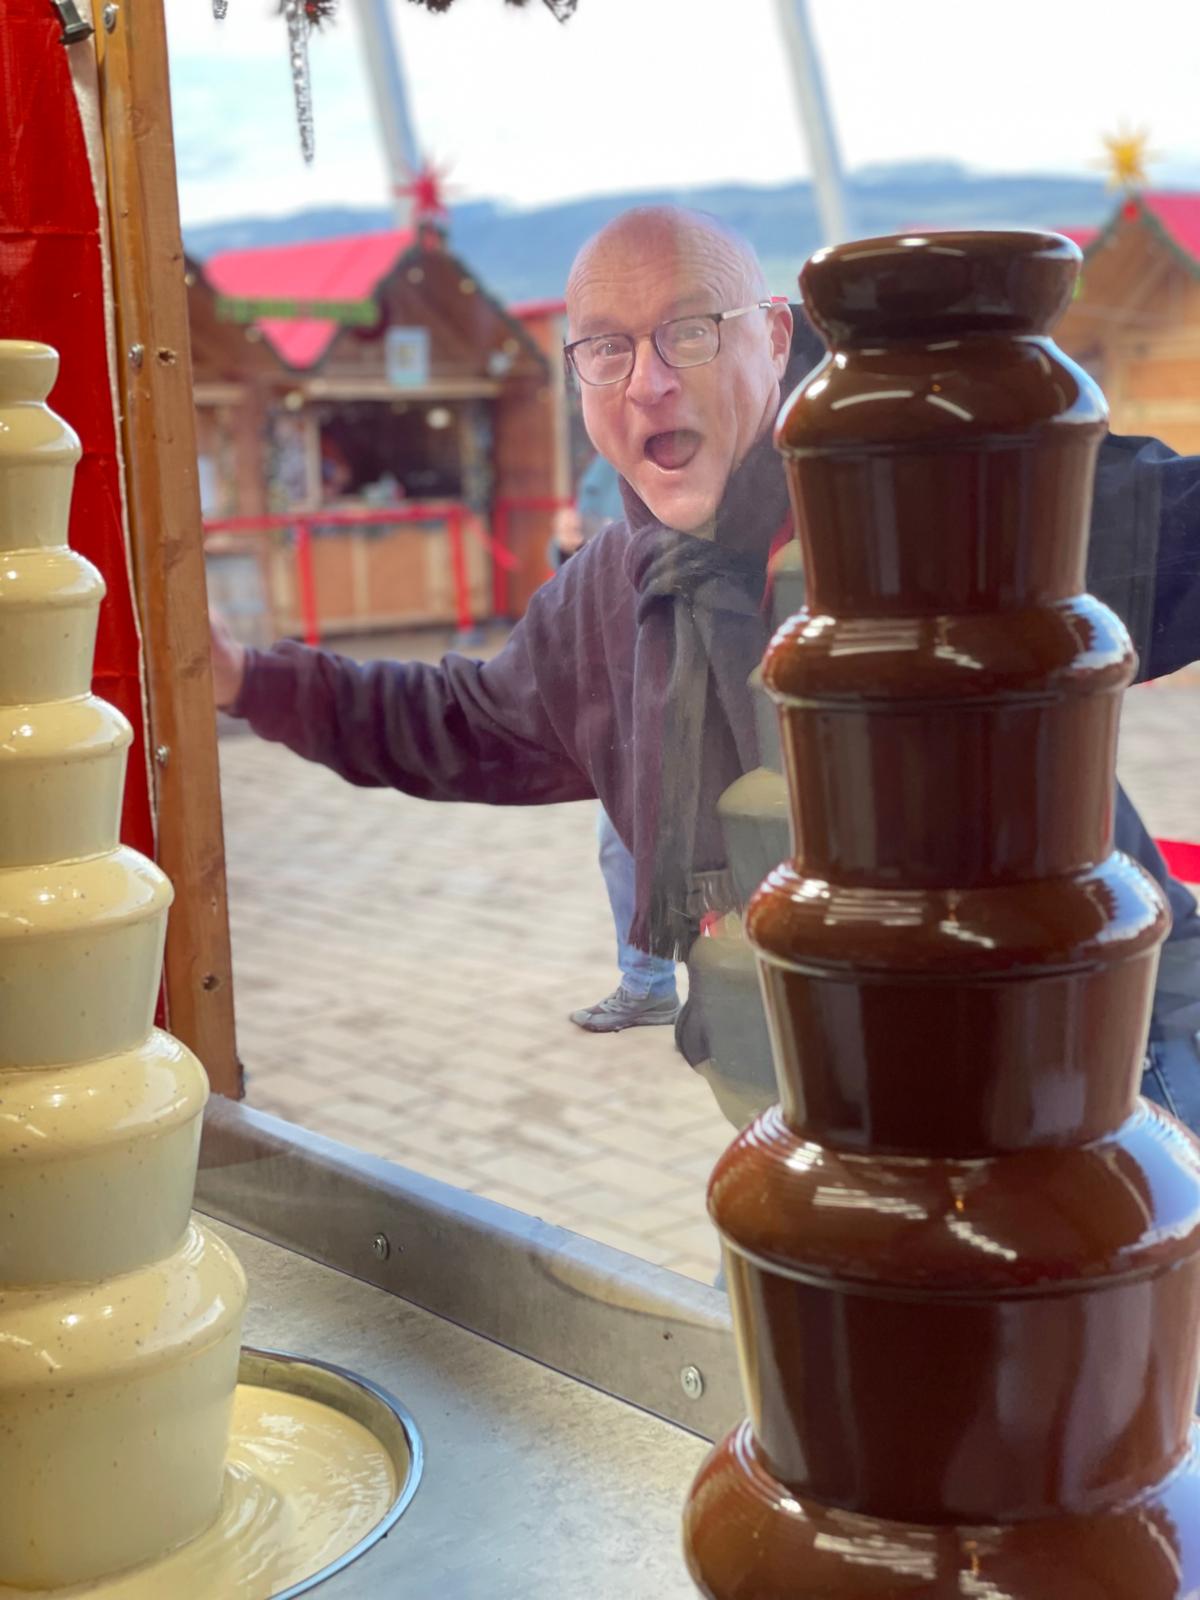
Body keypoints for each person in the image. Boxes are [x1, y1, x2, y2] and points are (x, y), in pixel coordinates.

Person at [210, 206, 1200, 1127]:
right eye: (606, 347)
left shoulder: (936, 487)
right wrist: (247, 679)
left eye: (690, 331)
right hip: (808, 1088)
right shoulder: (609, 596)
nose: (648, 380)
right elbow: (461, 717)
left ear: (774, 338)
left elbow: (1180, 531)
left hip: (1090, 1057)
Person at [548, 477, 679, 1032]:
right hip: (638, 684)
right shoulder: (608, 466)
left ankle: (753, 998)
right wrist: (567, 545)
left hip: (718, 682)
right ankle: (647, 982)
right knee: (620, 839)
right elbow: (577, 567)